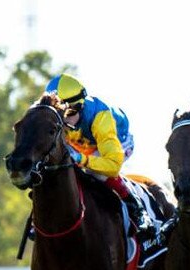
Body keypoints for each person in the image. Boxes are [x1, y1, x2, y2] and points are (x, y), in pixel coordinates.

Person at [45, 73, 154, 239]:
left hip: (116, 142)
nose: (62, 120)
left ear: (79, 107)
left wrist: (82, 159)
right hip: (83, 143)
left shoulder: (100, 117)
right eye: (57, 114)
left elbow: (112, 165)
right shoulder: (67, 118)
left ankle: (137, 209)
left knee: (97, 173)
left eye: (67, 114)